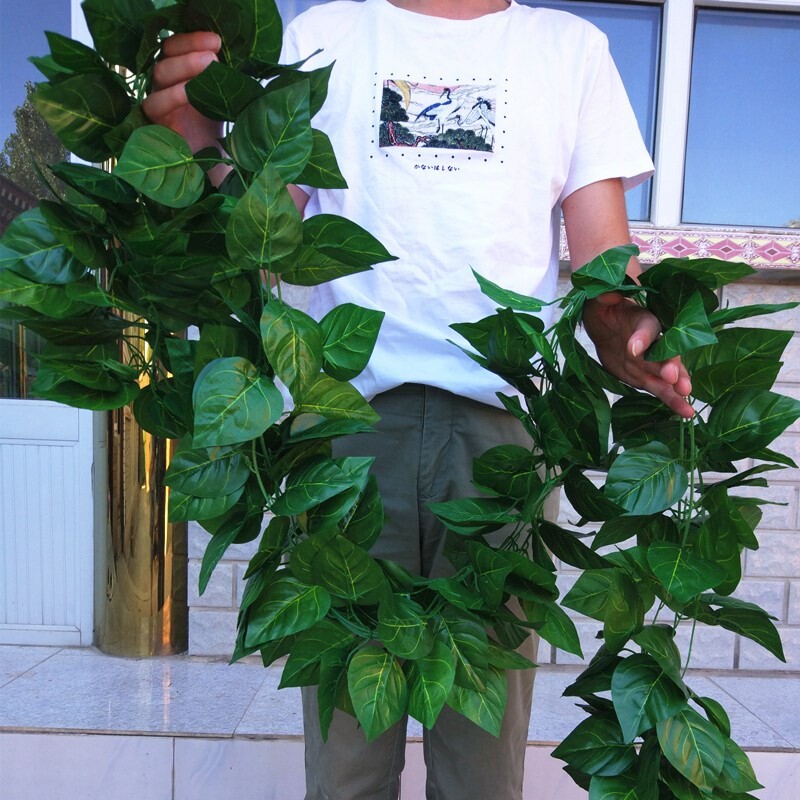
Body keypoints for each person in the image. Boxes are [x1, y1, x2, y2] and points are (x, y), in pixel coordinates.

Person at [144, 2, 693, 798]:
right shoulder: (319, 36)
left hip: (504, 448)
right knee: (346, 759)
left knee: (482, 763)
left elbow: (606, 260)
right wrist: (196, 139)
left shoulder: (569, 49)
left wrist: (626, 327)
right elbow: (261, 226)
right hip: (343, 435)